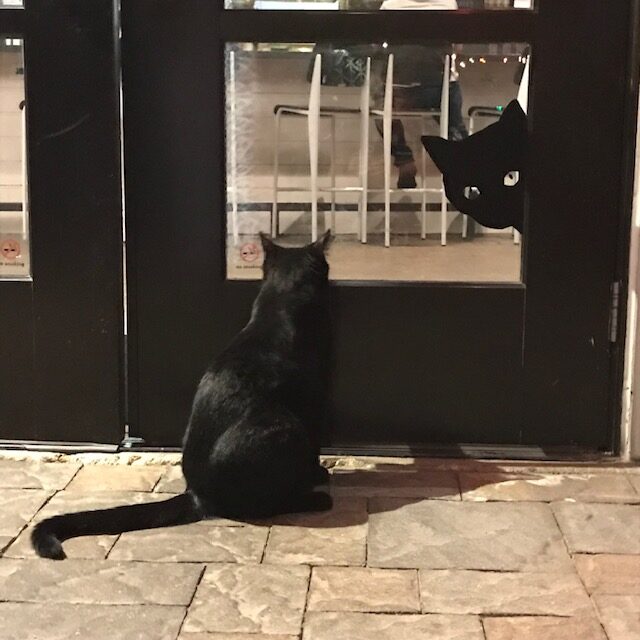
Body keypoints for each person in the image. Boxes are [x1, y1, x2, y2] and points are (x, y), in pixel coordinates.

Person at [376, 0, 468, 188]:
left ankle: (404, 160)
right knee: (454, 125)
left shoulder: (391, 4)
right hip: (440, 88)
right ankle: (467, 171)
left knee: (379, 109)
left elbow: (379, 45)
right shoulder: (447, 4)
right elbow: (458, 46)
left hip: (400, 89)